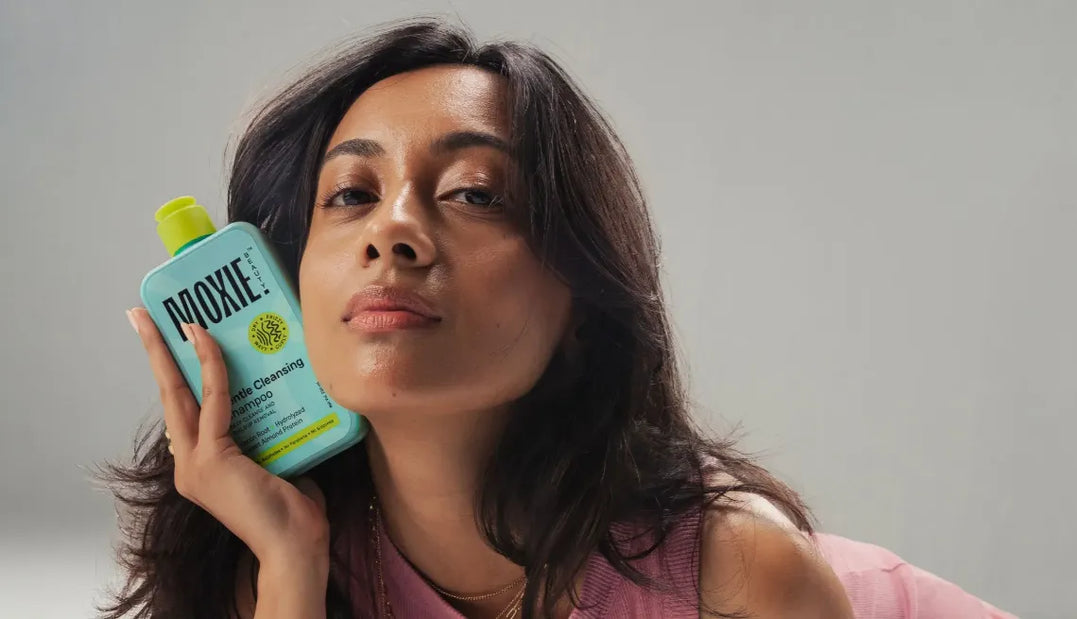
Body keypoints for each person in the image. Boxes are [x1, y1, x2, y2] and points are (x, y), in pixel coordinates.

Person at [99, 16, 1017, 619]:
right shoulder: (272, 558)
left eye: (472, 193)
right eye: (349, 194)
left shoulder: (739, 575)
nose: (394, 232)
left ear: (582, 295)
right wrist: (289, 563)